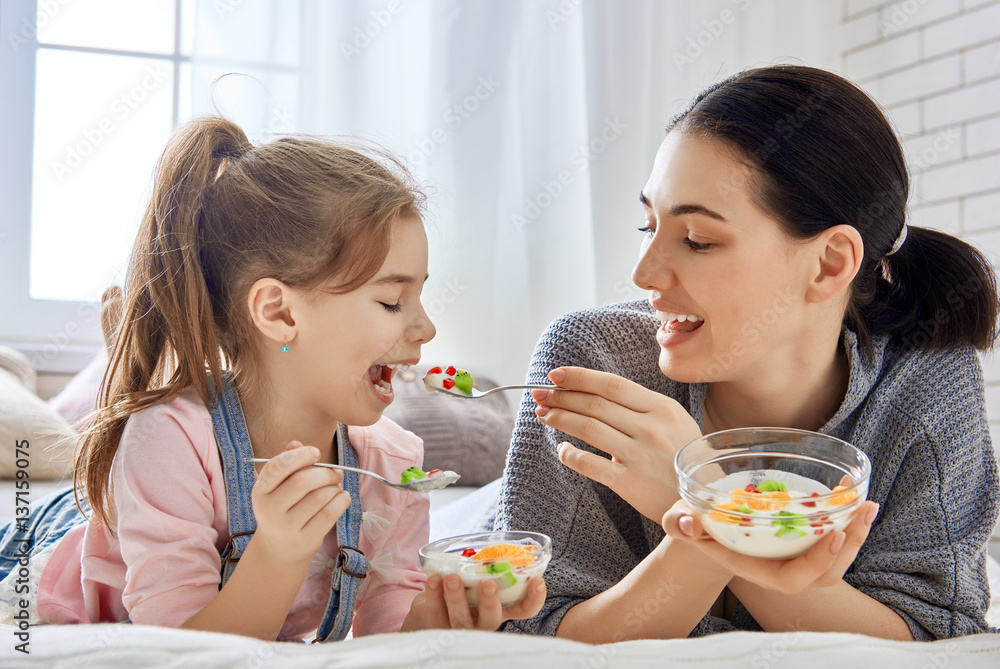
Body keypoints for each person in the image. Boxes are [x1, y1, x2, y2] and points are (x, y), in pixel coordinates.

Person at [496, 65, 999, 642]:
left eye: (697, 241)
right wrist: (709, 526)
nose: (643, 274)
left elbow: (937, 640)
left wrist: (708, 500)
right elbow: (529, 637)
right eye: (648, 225)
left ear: (830, 262)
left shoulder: (926, 381)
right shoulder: (592, 358)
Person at [0, 116, 544, 641]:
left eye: (419, 296)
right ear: (280, 314)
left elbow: (389, 633)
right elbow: (181, 648)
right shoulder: (169, 439)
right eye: (391, 300)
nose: (425, 327)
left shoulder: (393, 464)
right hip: (45, 559)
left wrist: (446, 617)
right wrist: (276, 554)